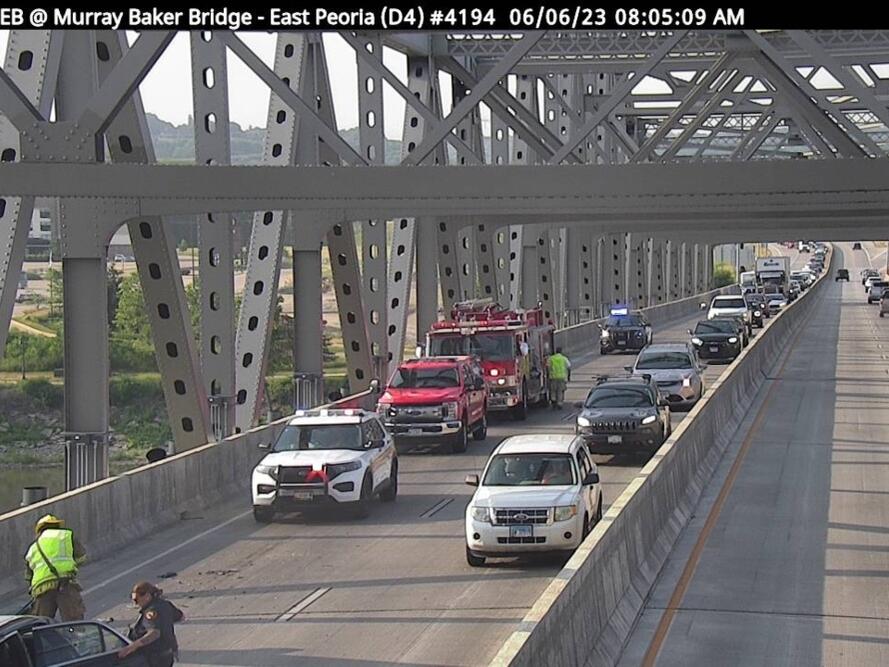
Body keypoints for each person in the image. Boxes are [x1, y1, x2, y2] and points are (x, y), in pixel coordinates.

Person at [24, 514, 86, 620]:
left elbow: (28, 576)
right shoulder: (66, 536)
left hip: (42, 588)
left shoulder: (34, 547)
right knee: (74, 622)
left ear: (39, 530)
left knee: (41, 623)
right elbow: (81, 557)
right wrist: (70, 567)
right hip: (65, 583)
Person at [119, 581, 185, 666]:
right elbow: (181, 617)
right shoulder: (165, 604)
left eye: (136, 599)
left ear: (147, 596)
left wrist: (133, 647)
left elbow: (155, 633)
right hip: (167, 653)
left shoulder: (151, 612)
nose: (135, 603)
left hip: (155, 656)